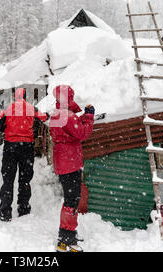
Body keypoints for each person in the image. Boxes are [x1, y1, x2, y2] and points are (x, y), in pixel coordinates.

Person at [49, 85, 95, 253]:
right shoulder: (66, 115)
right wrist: (89, 116)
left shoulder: (59, 113)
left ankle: (66, 234)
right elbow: (82, 133)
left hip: (64, 161)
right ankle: (67, 238)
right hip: (69, 162)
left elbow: (72, 126)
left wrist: (82, 115)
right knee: (72, 200)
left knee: (71, 199)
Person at [0, 88, 49, 222]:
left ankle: (5, 212)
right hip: (26, 147)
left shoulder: (7, 109)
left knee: (8, 180)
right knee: (25, 179)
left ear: (15, 96)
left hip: (10, 147)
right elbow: (43, 117)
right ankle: (24, 209)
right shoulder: (32, 108)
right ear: (25, 96)